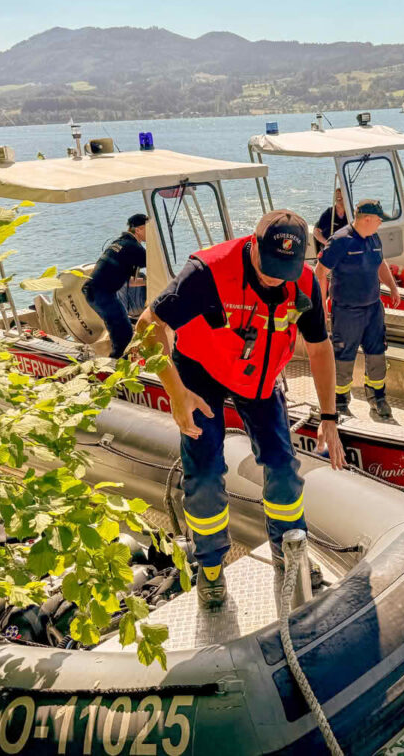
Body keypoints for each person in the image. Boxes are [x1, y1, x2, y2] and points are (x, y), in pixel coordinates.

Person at [136, 210, 346, 608]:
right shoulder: (207, 272)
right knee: (205, 472)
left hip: (258, 378)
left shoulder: (303, 282)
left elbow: (319, 347)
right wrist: (176, 394)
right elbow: (148, 326)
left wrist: (330, 418)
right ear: (253, 244)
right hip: (200, 373)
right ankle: (211, 570)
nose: (272, 278)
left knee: (283, 466)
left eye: (283, 270)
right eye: (268, 267)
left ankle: (290, 552)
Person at [316, 199, 402, 420]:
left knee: (377, 354)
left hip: (373, 309)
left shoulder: (373, 237)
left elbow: (380, 263)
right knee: (344, 356)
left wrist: (392, 287)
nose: (380, 224)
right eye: (378, 220)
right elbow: (320, 272)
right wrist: (322, 303)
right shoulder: (340, 241)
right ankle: (340, 401)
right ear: (366, 219)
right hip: (347, 312)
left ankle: (378, 399)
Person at [83, 213, 148, 359]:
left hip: (94, 290)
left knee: (119, 328)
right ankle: (118, 367)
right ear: (138, 230)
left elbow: (128, 281)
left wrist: (147, 281)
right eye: (148, 229)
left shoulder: (120, 243)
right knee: (124, 334)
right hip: (102, 293)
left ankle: (119, 361)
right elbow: (158, 262)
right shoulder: (134, 247)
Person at [313, 188, 349, 254]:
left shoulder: (350, 213)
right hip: (330, 248)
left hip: (346, 247)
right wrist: (326, 243)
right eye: (337, 194)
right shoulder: (328, 213)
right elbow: (316, 232)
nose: (339, 196)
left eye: (341, 194)